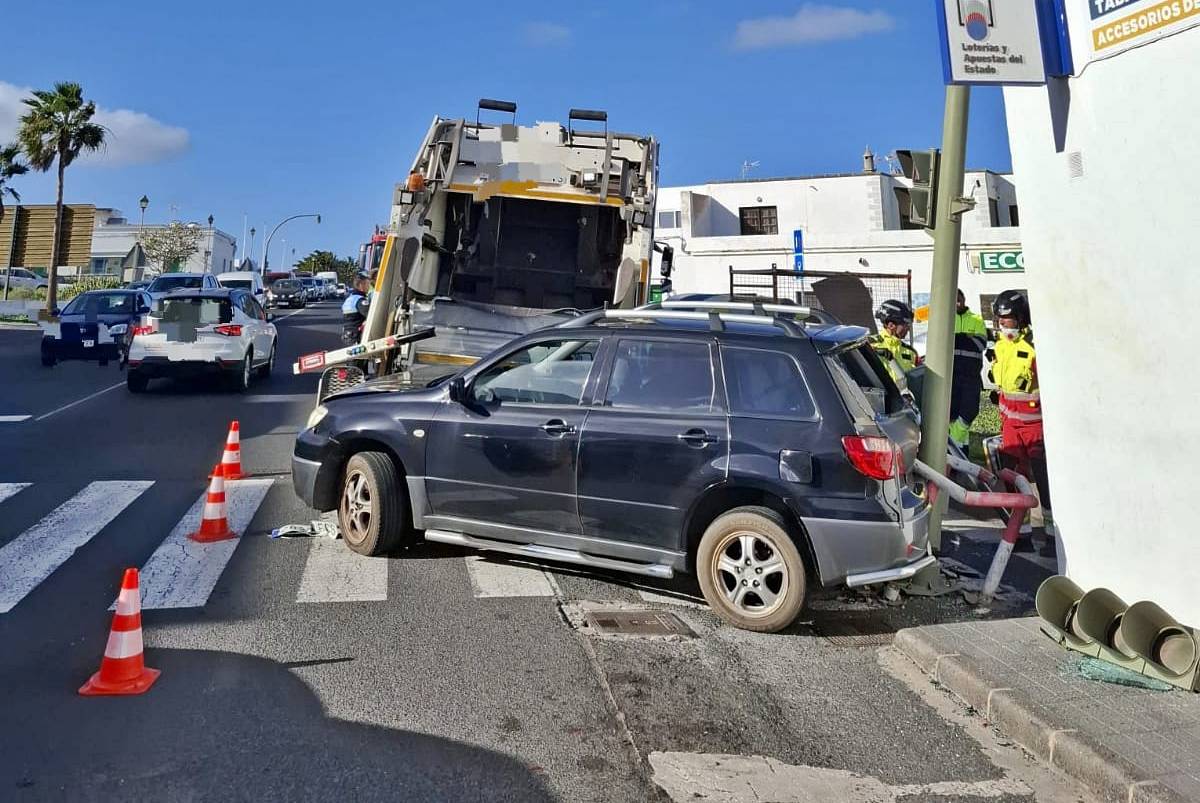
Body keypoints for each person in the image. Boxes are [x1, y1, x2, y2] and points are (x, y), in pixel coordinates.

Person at [989, 289, 1054, 541]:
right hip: (1010, 425)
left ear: (1020, 317)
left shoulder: (1035, 347)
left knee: (1045, 481)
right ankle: (1021, 533)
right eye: (999, 319)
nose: (1002, 324)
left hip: (1034, 425)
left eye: (1006, 319)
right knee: (1014, 478)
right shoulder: (1001, 345)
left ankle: (1051, 534)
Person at [949, 289, 988, 448]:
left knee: (969, 411)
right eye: (954, 300)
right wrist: (967, 337)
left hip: (970, 376)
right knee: (950, 414)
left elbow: (980, 344)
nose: (957, 303)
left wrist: (955, 338)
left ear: (964, 299)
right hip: (950, 376)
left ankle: (954, 441)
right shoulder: (945, 318)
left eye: (959, 299)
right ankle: (956, 448)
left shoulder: (977, 320)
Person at [870, 299, 919, 383]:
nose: (908, 329)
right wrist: (872, 352)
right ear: (891, 325)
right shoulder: (869, 345)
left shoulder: (911, 353)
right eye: (905, 324)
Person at [341, 273, 371, 347]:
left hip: (347, 335)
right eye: (367, 284)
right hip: (357, 337)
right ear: (361, 285)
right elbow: (371, 315)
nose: (369, 287)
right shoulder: (360, 300)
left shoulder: (350, 299)